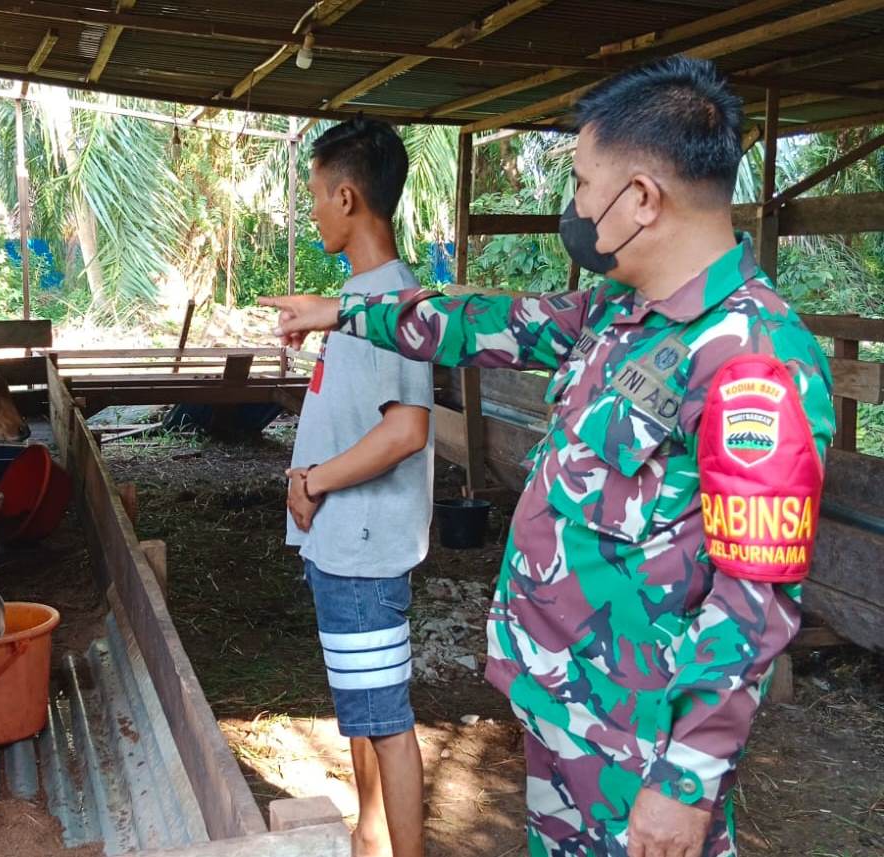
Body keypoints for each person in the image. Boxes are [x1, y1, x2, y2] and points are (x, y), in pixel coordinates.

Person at [262, 56, 835, 857]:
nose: (575, 205)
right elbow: (482, 320)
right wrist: (343, 310)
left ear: (642, 199)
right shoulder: (619, 313)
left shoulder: (754, 361)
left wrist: (685, 782)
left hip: (644, 750)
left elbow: (755, 598)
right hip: (569, 717)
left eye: (581, 182)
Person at [285, 117, 434, 857]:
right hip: (343, 543)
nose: (310, 210)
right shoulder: (361, 300)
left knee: (388, 720)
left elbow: (406, 430)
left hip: (365, 546)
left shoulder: (394, 304)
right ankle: (370, 836)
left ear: (347, 197)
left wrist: (313, 478)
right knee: (365, 713)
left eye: (314, 195)